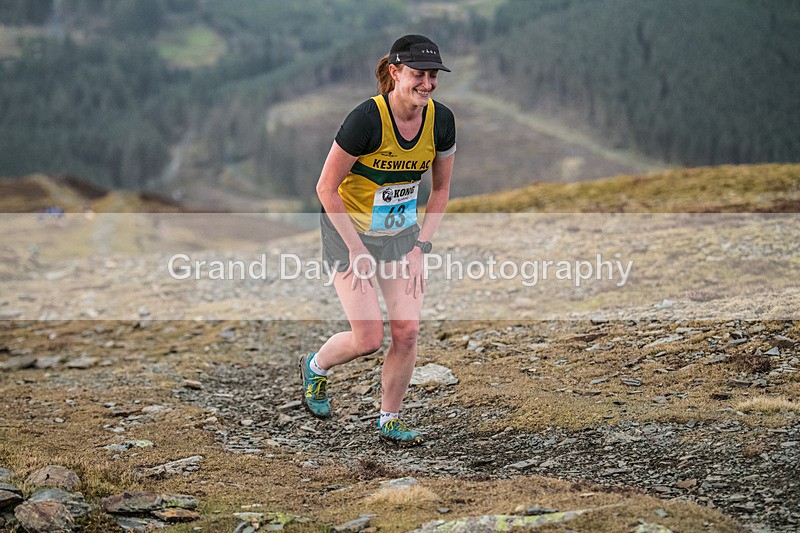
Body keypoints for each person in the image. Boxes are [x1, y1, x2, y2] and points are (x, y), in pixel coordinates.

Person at [300, 35, 456, 445]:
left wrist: (422, 248)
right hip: (348, 232)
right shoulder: (365, 120)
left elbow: (439, 192)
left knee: (406, 332)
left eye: (433, 76)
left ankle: (390, 419)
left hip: (400, 236)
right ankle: (316, 367)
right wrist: (356, 250)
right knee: (369, 338)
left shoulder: (441, 121)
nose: (427, 83)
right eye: (418, 75)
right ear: (395, 73)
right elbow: (325, 187)